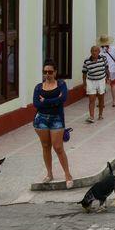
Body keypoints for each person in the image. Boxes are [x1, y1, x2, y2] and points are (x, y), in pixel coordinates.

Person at [33, 60, 73, 188]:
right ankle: (49, 174)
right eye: (45, 72)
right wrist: (53, 101)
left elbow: (63, 98)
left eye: (50, 72)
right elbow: (36, 104)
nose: (47, 74)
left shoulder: (61, 84)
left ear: (55, 72)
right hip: (41, 120)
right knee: (45, 146)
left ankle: (68, 175)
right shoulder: (38, 87)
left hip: (57, 119)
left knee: (58, 147)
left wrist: (45, 100)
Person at [81, 44, 108, 123]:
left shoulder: (103, 58)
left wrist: (108, 77)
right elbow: (84, 73)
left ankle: (100, 114)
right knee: (91, 99)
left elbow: (106, 68)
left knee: (101, 98)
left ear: (99, 52)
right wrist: (84, 84)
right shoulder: (87, 61)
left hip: (101, 80)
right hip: (91, 81)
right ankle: (91, 116)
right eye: (92, 51)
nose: (94, 52)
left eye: (96, 51)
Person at [99, 35, 115, 108]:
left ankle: (101, 103)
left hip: (102, 70)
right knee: (114, 84)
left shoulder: (99, 50)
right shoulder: (113, 48)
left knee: (102, 86)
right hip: (112, 69)